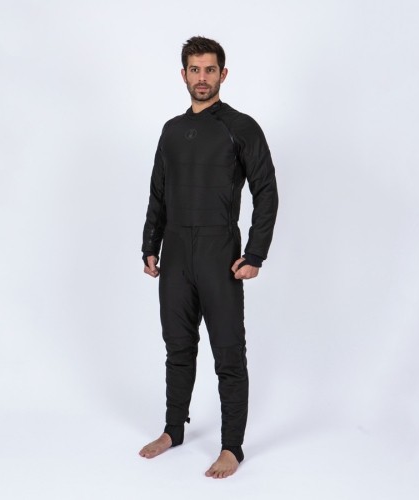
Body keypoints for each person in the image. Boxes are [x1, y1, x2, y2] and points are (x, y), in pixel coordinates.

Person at [139, 36, 278, 479]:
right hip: (176, 251)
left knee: (228, 353)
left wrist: (255, 253)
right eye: (195, 70)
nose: (202, 78)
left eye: (210, 70)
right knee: (178, 348)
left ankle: (232, 447)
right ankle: (173, 430)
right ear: (183, 75)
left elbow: (266, 191)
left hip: (220, 252)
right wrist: (150, 245)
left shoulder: (241, 127)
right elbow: (158, 192)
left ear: (223, 74)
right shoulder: (171, 130)